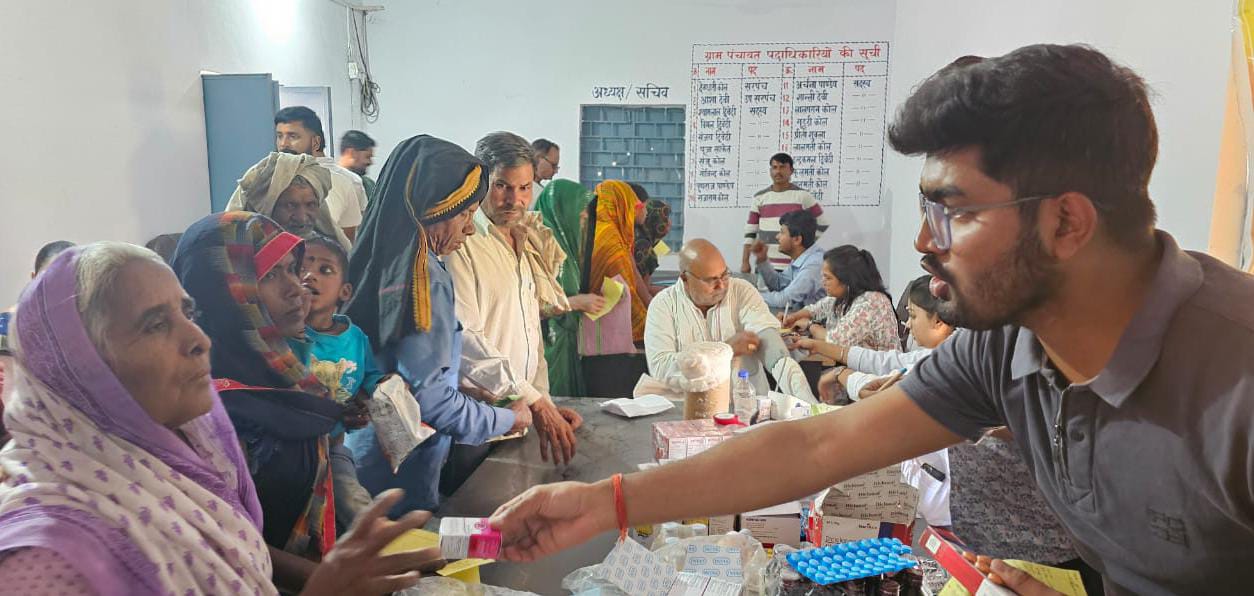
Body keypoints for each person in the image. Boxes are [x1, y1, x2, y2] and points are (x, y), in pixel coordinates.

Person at [488, 44, 1254, 595]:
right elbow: (820, 443)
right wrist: (606, 502)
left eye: (951, 211)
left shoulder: (1236, 385)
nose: (922, 241)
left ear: (1066, 222)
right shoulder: (1008, 346)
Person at [0, 242, 444, 595]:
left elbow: (243, 552)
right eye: (155, 324)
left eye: (187, 313)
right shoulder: (46, 562)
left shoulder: (190, 442)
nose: (199, 339)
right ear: (80, 366)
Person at [343, 134, 531, 514]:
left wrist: (462, 387)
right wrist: (508, 418)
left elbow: (401, 370)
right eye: (464, 214)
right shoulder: (422, 277)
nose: (470, 229)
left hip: (365, 458)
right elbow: (430, 403)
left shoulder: (380, 256)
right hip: (399, 478)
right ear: (432, 209)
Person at [172, 212, 347, 575]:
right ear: (226, 295)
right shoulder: (209, 411)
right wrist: (329, 580)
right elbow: (222, 542)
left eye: (291, 269)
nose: (296, 288)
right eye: (268, 276)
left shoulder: (284, 372)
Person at [447, 131, 583, 464]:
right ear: (480, 182)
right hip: (479, 420)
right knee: (476, 497)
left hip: (520, 417)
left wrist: (542, 401)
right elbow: (465, 339)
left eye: (524, 188)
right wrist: (534, 401)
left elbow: (530, 331)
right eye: (502, 186)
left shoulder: (525, 239)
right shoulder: (461, 243)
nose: (515, 200)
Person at [645, 239, 815, 399]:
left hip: (746, 406)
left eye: (724, 275)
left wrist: (804, 397)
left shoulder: (741, 291)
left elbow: (766, 337)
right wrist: (726, 351)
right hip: (688, 407)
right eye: (711, 280)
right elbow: (661, 368)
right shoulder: (663, 305)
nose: (721, 285)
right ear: (685, 278)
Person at [299, 233, 380, 533]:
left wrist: (378, 390)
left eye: (325, 270)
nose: (309, 275)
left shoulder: (355, 338)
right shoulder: (289, 337)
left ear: (345, 292)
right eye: (301, 268)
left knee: (357, 508)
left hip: (333, 448)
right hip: (297, 453)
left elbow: (369, 377)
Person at [782, 245, 900, 402]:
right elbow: (817, 308)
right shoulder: (846, 297)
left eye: (828, 278)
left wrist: (811, 326)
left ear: (847, 280)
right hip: (855, 373)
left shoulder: (871, 302)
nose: (823, 282)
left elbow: (835, 340)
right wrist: (794, 317)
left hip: (876, 382)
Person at [535, 180, 607, 397]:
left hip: (566, 343)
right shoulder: (537, 248)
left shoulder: (566, 247)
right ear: (560, 210)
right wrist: (576, 302)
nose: (584, 216)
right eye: (579, 210)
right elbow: (532, 306)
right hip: (546, 346)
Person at [274, 106, 366, 241]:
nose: (283, 144)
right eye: (279, 136)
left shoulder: (344, 182)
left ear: (316, 142)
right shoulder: (268, 178)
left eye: (293, 136)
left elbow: (347, 242)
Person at [226, 151, 352, 250]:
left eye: (311, 205)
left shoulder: (327, 254)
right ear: (268, 209)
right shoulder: (239, 259)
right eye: (291, 205)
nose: (302, 218)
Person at [740, 152, 828, 273]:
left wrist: (803, 245)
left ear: (791, 170)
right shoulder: (760, 197)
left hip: (794, 266)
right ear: (770, 171)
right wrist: (745, 261)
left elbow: (822, 224)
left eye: (782, 167)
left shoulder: (803, 196)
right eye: (774, 167)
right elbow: (750, 232)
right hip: (765, 265)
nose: (778, 171)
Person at [589, 180, 654, 343]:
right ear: (622, 203)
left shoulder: (594, 229)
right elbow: (622, 290)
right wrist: (648, 324)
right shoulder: (610, 239)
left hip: (592, 324)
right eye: (631, 202)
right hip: (607, 331)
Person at [752, 209, 826, 310]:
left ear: (797, 239)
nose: (777, 237)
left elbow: (785, 300)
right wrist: (762, 259)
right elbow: (779, 284)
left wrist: (749, 296)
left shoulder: (814, 264)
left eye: (782, 232)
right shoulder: (802, 258)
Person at [632, 198, 672, 286]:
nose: (669, 223)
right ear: (657, 222)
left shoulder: (635, 235)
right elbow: (642, 289)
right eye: (665, 218)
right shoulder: (644, 247)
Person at [339, 130, 377, 201]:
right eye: (367, 157)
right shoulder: (330, 185)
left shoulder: (369, 185)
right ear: (351, 153)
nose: (370, 162)